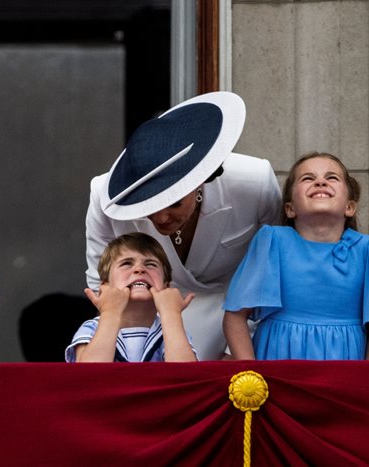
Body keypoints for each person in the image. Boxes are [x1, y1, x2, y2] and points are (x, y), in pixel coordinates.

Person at [86, 92, 282, 360]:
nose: (162, 218)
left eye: (174, 204)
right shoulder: (103, 193)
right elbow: (102, 281)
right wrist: (127, 352)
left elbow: (270, 273)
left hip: (237, 323)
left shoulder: (255, 182)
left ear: (200, 181)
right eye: (149, 207)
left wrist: (237, 350)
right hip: (149, 330)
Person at [223, 152, 369, 360]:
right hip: (279, 364)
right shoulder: (271, 241)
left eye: (332, 178)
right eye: (308, 178)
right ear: (290, 209)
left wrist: (368, 382)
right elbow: (235, 316)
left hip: (345, 368)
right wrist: (252, 374)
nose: (320, 182)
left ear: (350, 207)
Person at [66, 232, 197, 362]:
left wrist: (171, 313)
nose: (139, 269)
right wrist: (110, 312)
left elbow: (187, 375)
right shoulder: (91, 328)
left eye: (150, 264)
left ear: (165, 287)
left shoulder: (171, 328)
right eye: (127, 263)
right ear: (106, 287)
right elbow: (90, 375)